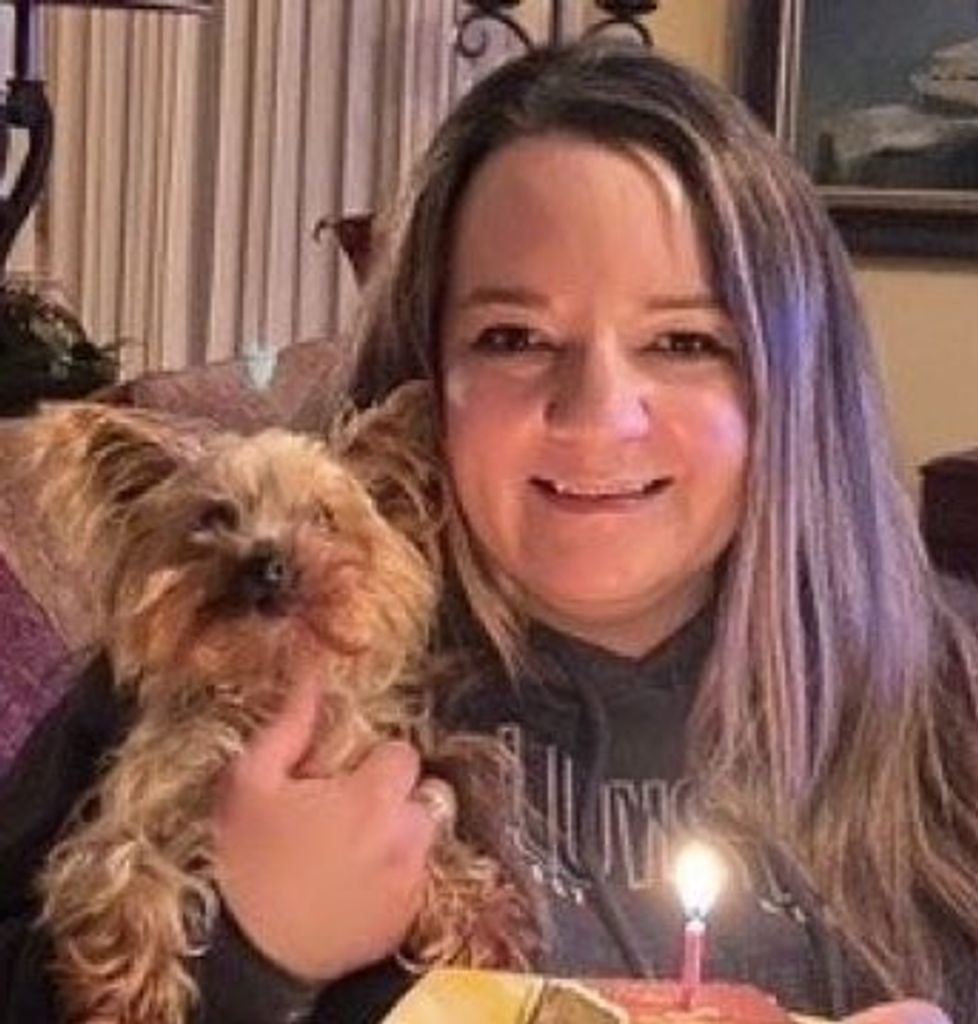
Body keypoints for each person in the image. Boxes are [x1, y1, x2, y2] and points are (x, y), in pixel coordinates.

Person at [2, 40, 976, 1024]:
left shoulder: (940, 710)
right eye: (513, 338)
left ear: (799, 380)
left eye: (685, 341)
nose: (598, 413)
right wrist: (247, 958)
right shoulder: (204, 665)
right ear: (424, 366)